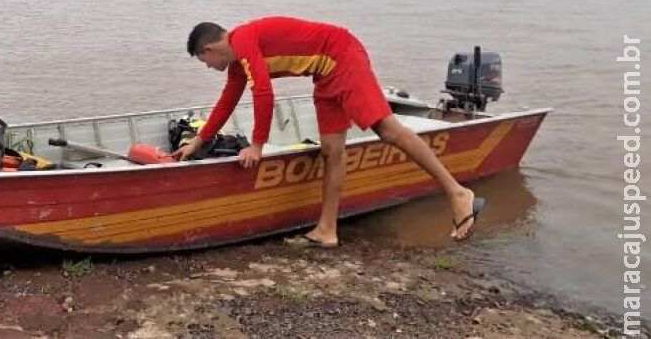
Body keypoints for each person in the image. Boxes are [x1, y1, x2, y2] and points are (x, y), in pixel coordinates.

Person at [175, 16, 485, 244]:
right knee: (331, 151)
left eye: (204, 60)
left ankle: (458, 193)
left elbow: (264, 94)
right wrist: (199, 140)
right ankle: (327, 230)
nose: (207, 66)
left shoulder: (242, 41)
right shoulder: (237, 64)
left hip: (342, 56)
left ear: (211, 48)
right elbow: (228, 100)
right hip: (324, 74)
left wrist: (257, 144)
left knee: (388, 129)